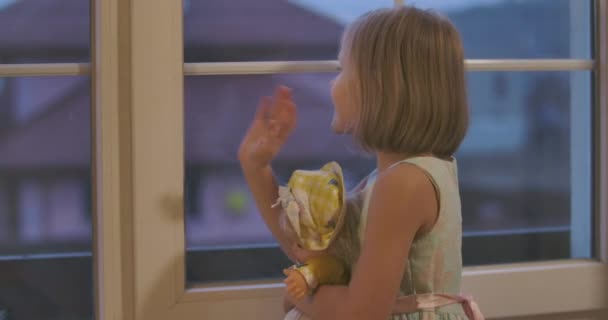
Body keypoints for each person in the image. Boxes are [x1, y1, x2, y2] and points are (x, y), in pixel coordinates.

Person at [238, 6, 483, 320]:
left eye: (342, 69)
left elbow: (362, 312)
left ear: (379, 87)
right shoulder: (383, 181)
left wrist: (302, 298)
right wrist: (256, 167)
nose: (332, 84)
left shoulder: (404, 184)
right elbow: (310, 246)